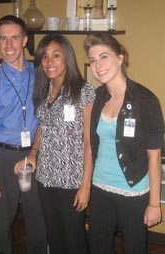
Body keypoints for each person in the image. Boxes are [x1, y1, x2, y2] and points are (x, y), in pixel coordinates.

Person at [83, 32, 165, 254]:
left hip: (133, 191)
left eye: (104, 57)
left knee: (134, 249)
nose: (98, 65)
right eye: (93, 60)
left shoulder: (146, 100)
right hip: (100, 188)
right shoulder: (97, 97)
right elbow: (91, 144)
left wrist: (154, 203)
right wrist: (87, 185)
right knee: (98, 247)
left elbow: (154, 157)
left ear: (120, 57)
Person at [15, 33, 96, 254]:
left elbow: (89, 142)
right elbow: (43, 125)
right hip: (45, 178)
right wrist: (33, 153)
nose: (49, 62)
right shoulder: (44, 89)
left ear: (67, 57)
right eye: (45, 57)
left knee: (74, 239)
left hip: (72, 180)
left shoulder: (84, 91)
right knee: (54, 236)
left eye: (56, 55)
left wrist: (85, 186)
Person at [0, 15, 47, 254]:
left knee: (39, 222)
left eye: (14, 38)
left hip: (35, 154)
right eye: (3, 39)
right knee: (0, 224)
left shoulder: (40, 75)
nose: (9, 45)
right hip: (3, 158)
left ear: (25, 40)